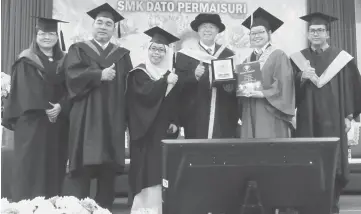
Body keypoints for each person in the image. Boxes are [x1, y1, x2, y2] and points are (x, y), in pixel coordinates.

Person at [62, 3, 133, 210]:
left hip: (113, 119)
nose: (103, 26)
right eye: (99, 22)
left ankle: (105, 209)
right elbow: (71, 77)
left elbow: (130, 88)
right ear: (92, 26)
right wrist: (98, 75)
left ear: (113, 30)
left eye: (108, 24)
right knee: (82, 169)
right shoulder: (78, 50)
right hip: (85, 118)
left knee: (107, 171)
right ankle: (79, 209)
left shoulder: (122, 55)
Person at [290, 12, 361, 214]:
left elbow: (352, 88)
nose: (316, 33)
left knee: (334, 160)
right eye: (312, 30)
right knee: (308, 158)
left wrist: (349, 116)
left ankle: (332, 204)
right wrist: (300, 78)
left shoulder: (342, 59)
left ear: (328, 34)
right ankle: (309, 204)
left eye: (320, 30)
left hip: (334, 118)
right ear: (308, 34)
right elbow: (289, 89)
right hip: (307, 119)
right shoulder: (298, 59)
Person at [1, 17, 69, 201]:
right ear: (36, 35)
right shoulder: (26, 60)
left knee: (54, 167)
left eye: (51, 33)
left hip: (58, 125)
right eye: (42, 33)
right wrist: (47, 108)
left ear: (57, 36)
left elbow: (72, 87)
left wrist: (61, 106)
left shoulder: (66, 60)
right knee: (30, 167)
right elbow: (25, 89)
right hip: (32, 124)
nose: (46, 37)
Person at [127, 26, 180, 214]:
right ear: (147, 50)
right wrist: (166, 81)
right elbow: (144, 97)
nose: (156, 53)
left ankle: (161, 208)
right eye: (153, 49)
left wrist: (175, 122)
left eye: (161, 50)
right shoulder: (139, 73)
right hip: (144, 132)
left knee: (161, 170)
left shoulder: (170, 74)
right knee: (145, 170)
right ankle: (143, 209)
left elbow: (174, 103)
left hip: (163, 132)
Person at [175, 13, 238, 139]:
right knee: (197, 152)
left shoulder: (228, 54)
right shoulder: (186, 54)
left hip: (222, 112)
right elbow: (178, 85)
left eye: (211, 27)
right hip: (195, 113)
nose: (207, 30)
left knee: (220, 151)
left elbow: (234, 87)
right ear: (197, 30)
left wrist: (229, 84)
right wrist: (194, 76)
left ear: (217, 31)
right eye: (204, 26)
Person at [239, 7, 295, 138]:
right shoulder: (247, 60)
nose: (256, 36)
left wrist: (262, 93)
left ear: (269, 33)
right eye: (253, 33)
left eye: (261, 32)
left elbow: (284, 85)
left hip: (270, 112)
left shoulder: (279, 55)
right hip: (250, 111)